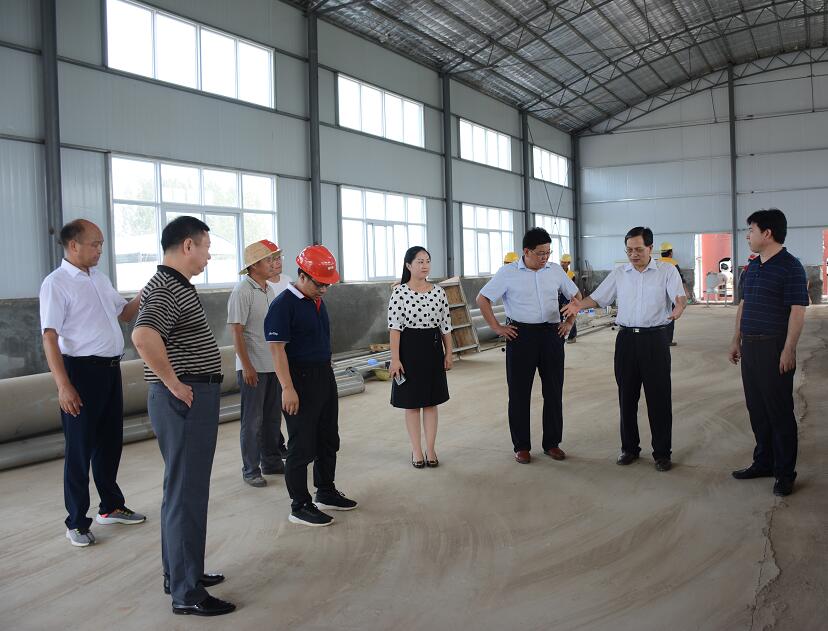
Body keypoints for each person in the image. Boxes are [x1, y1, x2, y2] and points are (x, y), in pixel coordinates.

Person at [132, 216, 234, 617]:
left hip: (190, 397)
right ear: (188, 245)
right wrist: (173, 382)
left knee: (182, 490)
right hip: (186, 398)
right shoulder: (166, 288)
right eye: (206, 247)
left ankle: (180, 573)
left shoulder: (173, 285)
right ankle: (187, 592)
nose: (209, 256)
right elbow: (143, 336)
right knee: (187, 493)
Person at [39, 219, 146, 547]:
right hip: (80, 374)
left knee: (110, 442)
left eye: (101, 244)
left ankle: (110, 506)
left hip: (110, 371)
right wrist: (63, 385)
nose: (100, 249)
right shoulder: (56, 284)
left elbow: (125, 314)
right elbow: (49, 337)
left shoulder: (99, 278)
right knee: (80, 449)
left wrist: (148, 290)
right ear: (73, 245)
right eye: (94, 244)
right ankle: (76, 521)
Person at [562, 227, 686, 472]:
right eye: (629, 250)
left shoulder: (666, 271)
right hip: (627, 340)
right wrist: (578, 306)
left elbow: (679, 297)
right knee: (626, 397)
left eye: (638, 249)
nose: (633, 254)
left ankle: (662, 453)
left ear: (650, 248)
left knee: (659, 398)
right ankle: (629, 448)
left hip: (654, 340)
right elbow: (598, 298)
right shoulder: (620, 273)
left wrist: (679, 308)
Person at [265, 245, 357, 527]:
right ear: (302, 276)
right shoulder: (283, 305)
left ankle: (325, 491)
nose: (324, 290)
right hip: (299, 380)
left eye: (328, 285)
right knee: (302, 445)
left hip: (323, 376)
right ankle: (300, 505)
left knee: (328, 438)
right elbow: (277, 350)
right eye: (319, 284)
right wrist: (287, 388)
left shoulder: (316, 300)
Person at [477, 227, 580, 464]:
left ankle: (552, 443)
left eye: (548, 252)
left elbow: (576, 296)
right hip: (520, 336)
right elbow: (482, 299)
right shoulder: (508, 273)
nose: (545, 257)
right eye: (540, 253)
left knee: (553, 391)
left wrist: (569, 322)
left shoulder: (555, 271)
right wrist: (497, 327)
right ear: (526, 251)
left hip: (552, 335)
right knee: (519, 393)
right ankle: (521, 446)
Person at [728, 209, 808, 497]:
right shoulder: (752, 267)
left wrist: (789, 349)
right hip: (750, 347)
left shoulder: (791, 267)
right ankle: (763, 462)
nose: (747, 236)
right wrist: (736, 339)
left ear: (767, 233)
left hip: (774, 347)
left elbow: (797, 311)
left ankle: (785, 473)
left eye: (751, 230)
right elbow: (744, 305)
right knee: (757, 409)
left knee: (779, 411)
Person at [227, 240, 287, 488]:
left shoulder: (268, 290)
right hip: (253, 368)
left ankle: (271, 461)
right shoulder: (242, 291)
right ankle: (250, 469)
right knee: (252, 422)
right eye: (269, 260)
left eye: (275, 259)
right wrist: (247, 366)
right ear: (254, 266)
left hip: (272, 365)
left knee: (272, 419)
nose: (274, 264)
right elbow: (236, 331)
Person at [387, 247, 453, 468]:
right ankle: (416, 450)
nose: (425, 266)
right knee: (412, 404)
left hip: (433, 350)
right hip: (409, 351)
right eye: (420, 262)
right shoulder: (399, 293)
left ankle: (431, 448)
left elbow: (445, 326)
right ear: (408, 266)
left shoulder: (439, 292)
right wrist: (395, 359)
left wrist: (449, 353)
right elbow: (395, 328)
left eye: (427, 261)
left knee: (431, 403)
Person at [658, 242, 688, 346]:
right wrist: (685, 292)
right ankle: (668, 340)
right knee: (671, 316)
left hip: (660, 295)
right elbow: (680, 280)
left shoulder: (657, 263)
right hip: (672, 295)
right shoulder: (673, 264)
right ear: (670, 253)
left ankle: (659, 339)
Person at [559, 254, 578, 344]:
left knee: (570, 316)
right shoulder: (557, 272)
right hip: (558, 298)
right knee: (558, 318)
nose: (562, 264)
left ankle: (572, 336)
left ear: (569, 263)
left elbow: (572, 290)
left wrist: (568, 302)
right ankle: (560, 335)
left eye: (564, 262)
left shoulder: (571, 275)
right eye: (561, 262)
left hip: (567, 298)